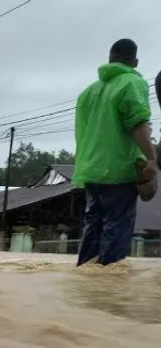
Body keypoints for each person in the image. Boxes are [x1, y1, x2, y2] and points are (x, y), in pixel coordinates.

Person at [73, 39, 156, 267]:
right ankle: (107, 281)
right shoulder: (132, 83)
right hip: (119, 170)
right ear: (135, 62)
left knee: (93, 227)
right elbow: (137, 123)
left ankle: (84, 280)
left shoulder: (88, 92)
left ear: (110, 59)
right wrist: (151, 158)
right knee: (116, 228)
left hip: (91, 171)